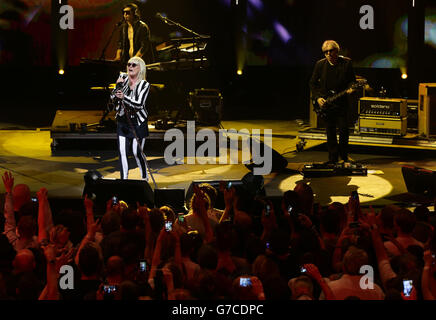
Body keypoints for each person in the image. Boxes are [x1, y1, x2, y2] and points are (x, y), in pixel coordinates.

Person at [309, 40, 356, 164]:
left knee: (344, 131)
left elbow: (352, 80)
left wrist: (351, 88)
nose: (328, 53)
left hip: (341, 103)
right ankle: (333, 158)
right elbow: (312, 83)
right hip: (326, 104)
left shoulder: (346, 63)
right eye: (326, 52)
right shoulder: (320, 65)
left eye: (331, 51)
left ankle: (344, 157)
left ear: (337, 51)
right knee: (330, 132)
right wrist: (318, 98)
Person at [110, 56, 150, 180]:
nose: (130, 67)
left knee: (136, 152)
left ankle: (144, 177)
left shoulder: (144, 84)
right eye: (129, 64)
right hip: (123, 121)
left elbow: (139, 104)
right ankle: (124, 180)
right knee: (122, 153)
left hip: (138, 122)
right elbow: (112, 98)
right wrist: (117, 86)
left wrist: (124, 98)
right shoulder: (124, 80)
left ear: (140, 68)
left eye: (134, 65)